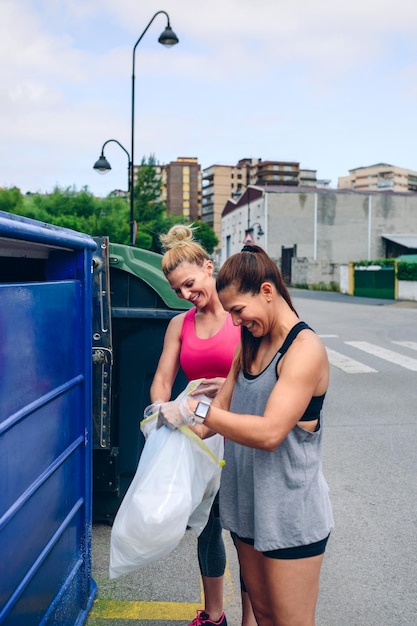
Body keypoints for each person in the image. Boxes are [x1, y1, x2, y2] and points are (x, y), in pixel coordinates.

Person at [158, 244, 334, 626]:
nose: (234, 322)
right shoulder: (249, 345)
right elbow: (211, 421)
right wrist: (166, 423)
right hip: (249, 509)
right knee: (265, 616)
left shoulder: (304, 350)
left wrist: (195, 409)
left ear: (267, 292)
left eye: (238, 310)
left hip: (290, 514)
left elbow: (270, 432)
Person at [149, 225, 257, 626]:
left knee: (245, 532)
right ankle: (214, 616)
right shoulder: (180, 325)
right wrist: (160, 410)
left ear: (209, 268)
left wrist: (228, 384)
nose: (186, 294)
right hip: (198, 436)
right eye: (178, 290)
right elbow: (163, 378)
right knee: (207, 527)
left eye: (190, 284)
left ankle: (252, 618)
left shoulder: (240, 317)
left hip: (240, 429)